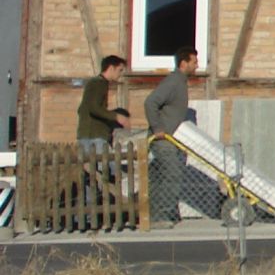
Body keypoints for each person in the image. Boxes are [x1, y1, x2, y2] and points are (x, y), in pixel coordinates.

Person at [143, 47, 201, 224]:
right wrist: (157, 128)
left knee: (162, 176)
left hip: (170, 138)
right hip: (162, 138)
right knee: (172, 173)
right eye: (194, 62)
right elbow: (150, 102)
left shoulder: (180, 81)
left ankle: (159, 214)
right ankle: (161, 216)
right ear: (183, 63)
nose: (197, 66)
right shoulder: (174, 81)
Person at [76, 54, 131, 150]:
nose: (120, 74)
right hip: (94, 136)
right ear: (111, 68)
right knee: (105, 159)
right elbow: (94, 108)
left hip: (88, 134)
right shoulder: (99, 83)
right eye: (120, 70)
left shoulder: (95, 82)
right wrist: (117, 117)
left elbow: (83, 108)